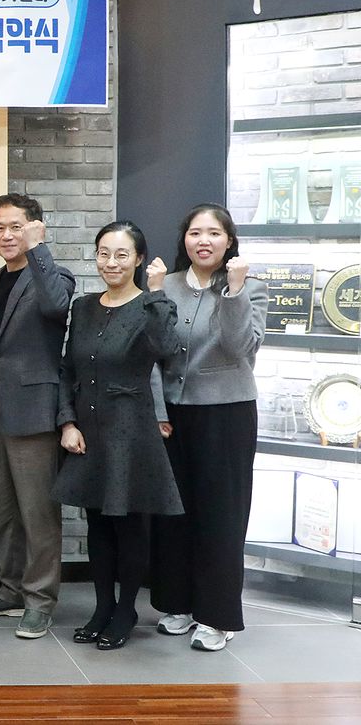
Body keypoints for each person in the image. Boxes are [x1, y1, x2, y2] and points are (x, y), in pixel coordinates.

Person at [52, 220, 183, 651]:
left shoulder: (151, 307)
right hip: (89, 428)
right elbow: (68, 369)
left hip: (131, 431)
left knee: (128, 526)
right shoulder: (83, 306)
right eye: (104, 253)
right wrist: (68, 422)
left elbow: (166, 349)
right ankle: (102, 606)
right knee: (97, 525)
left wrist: (158, 291)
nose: (112, 262)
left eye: (122, 254)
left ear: (139, 259)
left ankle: (126, 609)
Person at [150, 204, 268, 652]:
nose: (204, 241)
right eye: (195, 232)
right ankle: (177, 605)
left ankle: (217, 617)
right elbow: (155, 352)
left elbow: (241, 348)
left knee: (221, 515)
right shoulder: (169, 285)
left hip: (227, 414)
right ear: (184, 239)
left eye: (214, 233)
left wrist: (234, 290)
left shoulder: (250, 288)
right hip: (174, 415)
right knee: (175, 513)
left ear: (228, 240)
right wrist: (159, 408)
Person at [0, 194, 75, 639]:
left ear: (35, 228)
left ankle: (40, 600)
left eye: (16, 227)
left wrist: (39, 250)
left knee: (38, 513)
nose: (6, 235)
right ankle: (8, 589)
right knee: (3, 512)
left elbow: (56, 308)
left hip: (35, 413)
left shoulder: (54, 275)